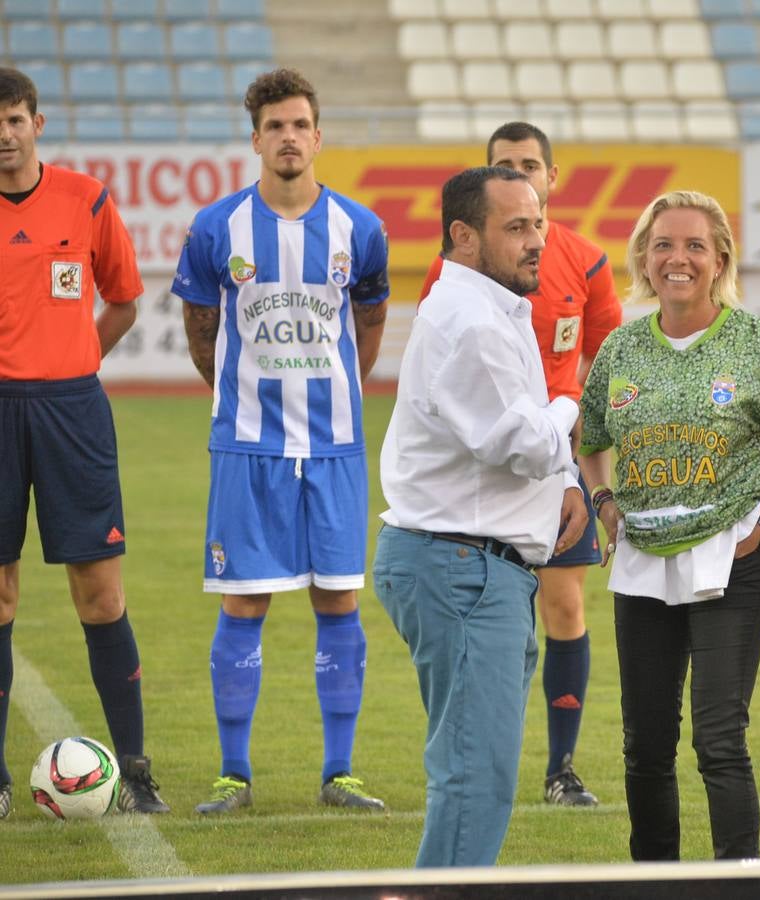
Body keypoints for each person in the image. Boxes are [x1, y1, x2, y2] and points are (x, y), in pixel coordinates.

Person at [577, 190, 760, 860]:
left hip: (733, 557)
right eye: (663, 244)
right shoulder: (621, 347)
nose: (677, 258)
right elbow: (590, 439)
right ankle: (653, 880)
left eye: (694, 245)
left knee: (718, 740)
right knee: (645, 746)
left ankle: (737, 881)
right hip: (642, 561)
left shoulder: (757, 342)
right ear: (643, 256)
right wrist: (605, 505)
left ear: (719, 259)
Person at [173, 68, 389, 815]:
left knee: (339, 599)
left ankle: (340, 772)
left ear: (318, 135)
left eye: (300, 125)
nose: (288, 137)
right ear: (256, 138)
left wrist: (336, 393)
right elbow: (202, 333)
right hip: (247, 447)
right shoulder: (216, 229)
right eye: (275, 126)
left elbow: (368, 321)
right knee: (243, 605)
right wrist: (239, 401)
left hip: (333, 448)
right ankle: (233, 773)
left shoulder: (358, 229)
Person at [375, 166, 588, 867]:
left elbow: (522, 443)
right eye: (517, 227)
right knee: (477, 775)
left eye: (539, 223)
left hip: (469, 564)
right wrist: (570, 407)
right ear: (463, 235)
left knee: (478, 770)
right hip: (462, 567)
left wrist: (561, 475)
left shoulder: (488, 307)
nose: (537, 241)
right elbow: (520, 441)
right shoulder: (472, 320)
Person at [418, 122, 621, 806]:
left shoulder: (585, 261)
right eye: (506, 166)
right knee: (480, 618)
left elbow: (608, 357)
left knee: (564, 606)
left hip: (553, 462)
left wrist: (577, 446)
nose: (522, 174)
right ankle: (469, 764)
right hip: (482, 466)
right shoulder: (460, 270)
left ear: (552, 177)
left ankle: (560, 768)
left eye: (531, 165)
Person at [0, 66, 169, 819]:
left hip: (72, 411)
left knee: (100, 595)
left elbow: (125, 302)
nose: (3, 136)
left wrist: (73, 363)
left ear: (38, 123)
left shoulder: (86, 199)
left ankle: (136, 771)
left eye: (13, 120)